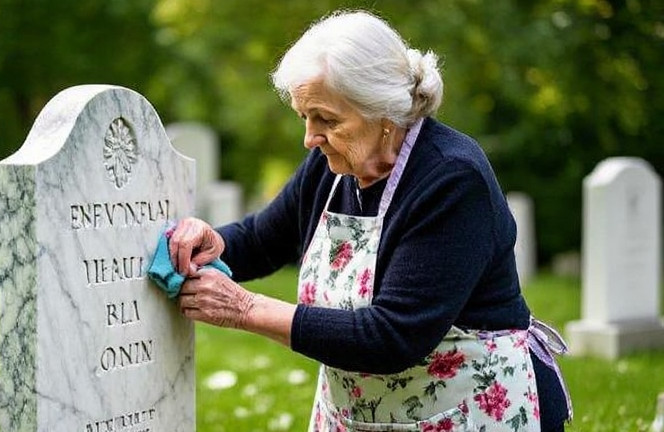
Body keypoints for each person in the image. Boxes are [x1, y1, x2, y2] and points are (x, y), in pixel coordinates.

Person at [167, 10, 571, 432]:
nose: (310, 137)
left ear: (383, 113)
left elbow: (393, 337)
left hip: (470, 408)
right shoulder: (330, 166)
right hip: (363, 414)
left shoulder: (451, 177)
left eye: (327, 119)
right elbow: (262, 240)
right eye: (305, 117)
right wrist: (210, 241)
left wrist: (244, 308)